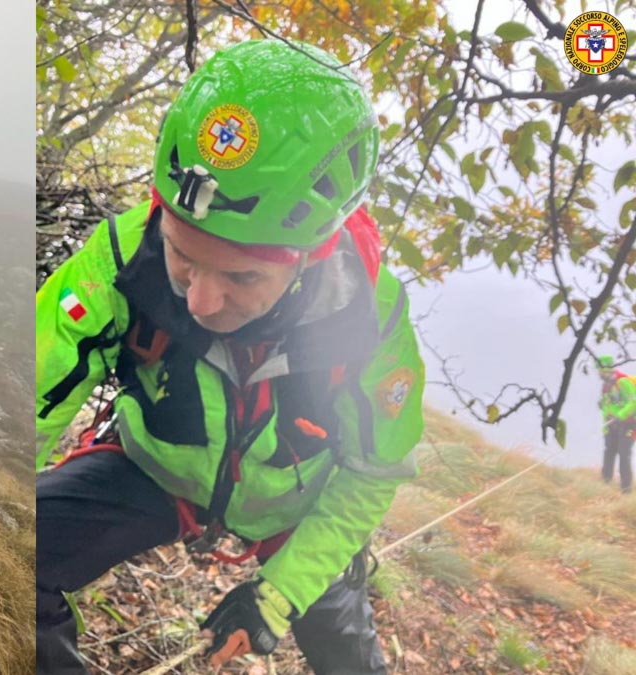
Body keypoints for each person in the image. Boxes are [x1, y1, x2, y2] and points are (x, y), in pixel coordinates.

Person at [35, 40, 425, 674]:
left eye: (242, 278)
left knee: (349, 655)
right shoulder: (120, 260)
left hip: (295, 507)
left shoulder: (366, 315)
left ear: (310, 257)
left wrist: (278, 599)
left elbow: (373, 471)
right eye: (180, 255)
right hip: (155, 467)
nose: (201, 300)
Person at [598, 355, 634, 493]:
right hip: (611, 425)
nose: (599, 374)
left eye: (600, 371)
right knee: (609, 452)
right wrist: (606, 427)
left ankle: (626, 491)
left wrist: (620, 415)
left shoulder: (623, 382)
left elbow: (634, 402)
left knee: (624, 455)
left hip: (628, 425)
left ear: (606, 370)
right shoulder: (606, 386)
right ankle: (605, 484)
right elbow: (607, 407)